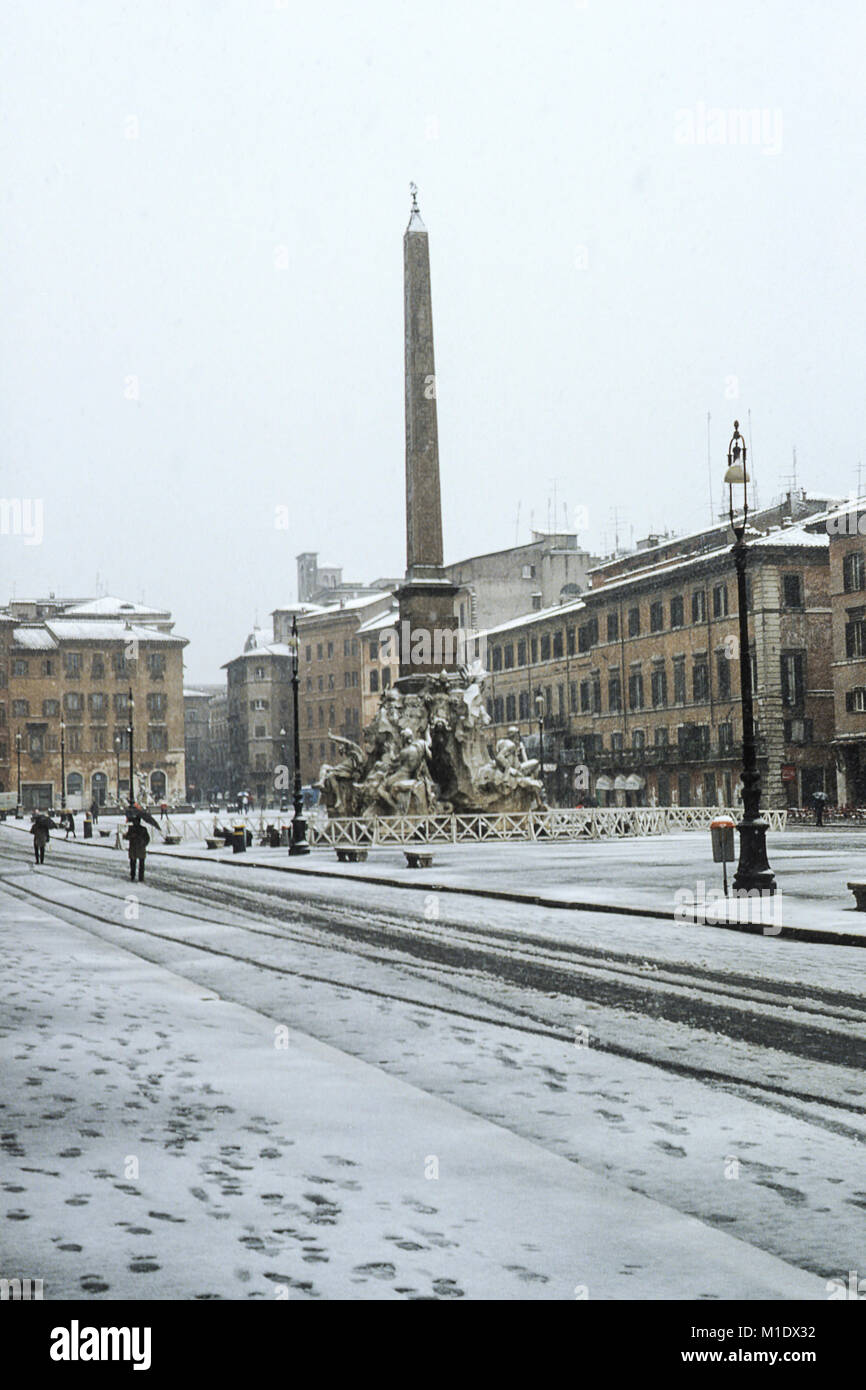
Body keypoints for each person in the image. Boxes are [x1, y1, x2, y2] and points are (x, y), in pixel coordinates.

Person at [125, 815, 150, 882]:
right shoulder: (143, 829)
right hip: (139, 848)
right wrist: (144, 844)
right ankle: (139, 877)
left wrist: (130, 836)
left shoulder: (132, 829)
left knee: (134, 863)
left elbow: (127, 837)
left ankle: (134, 876)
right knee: (139, 864)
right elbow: (147, 838)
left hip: (135, 848)